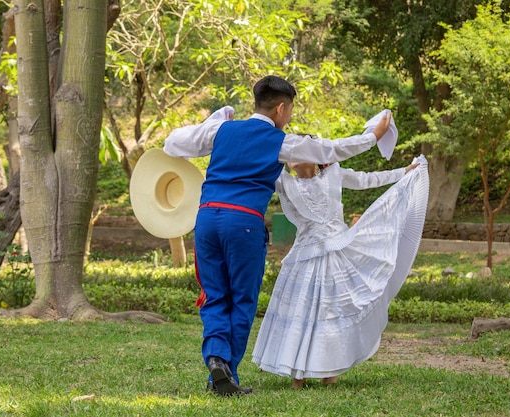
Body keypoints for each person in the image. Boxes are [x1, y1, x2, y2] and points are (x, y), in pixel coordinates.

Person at [162, 75, 393, 396]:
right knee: (241, 298)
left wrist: (216, 118)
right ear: (281, 108)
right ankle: (228, 372)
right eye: (291, 111)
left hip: (206, 219)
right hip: (243, 221)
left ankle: (216, 357)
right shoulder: (282, 141)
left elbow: (173, 142)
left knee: (213, 295)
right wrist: (373, 136)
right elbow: (334, 148)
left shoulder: (221, 130)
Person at [252, 154, 429, 389]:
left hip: (336, 252)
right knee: (302, 311)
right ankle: (298, 374)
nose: (295, 155)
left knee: (331, 310)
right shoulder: (283, 181)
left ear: (315, 157)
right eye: (292, 151)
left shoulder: (333, 174)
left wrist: (402, 173)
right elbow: (253, 174)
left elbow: (366, 180)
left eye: (303, 150)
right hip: (305, 255)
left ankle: (330, 372)